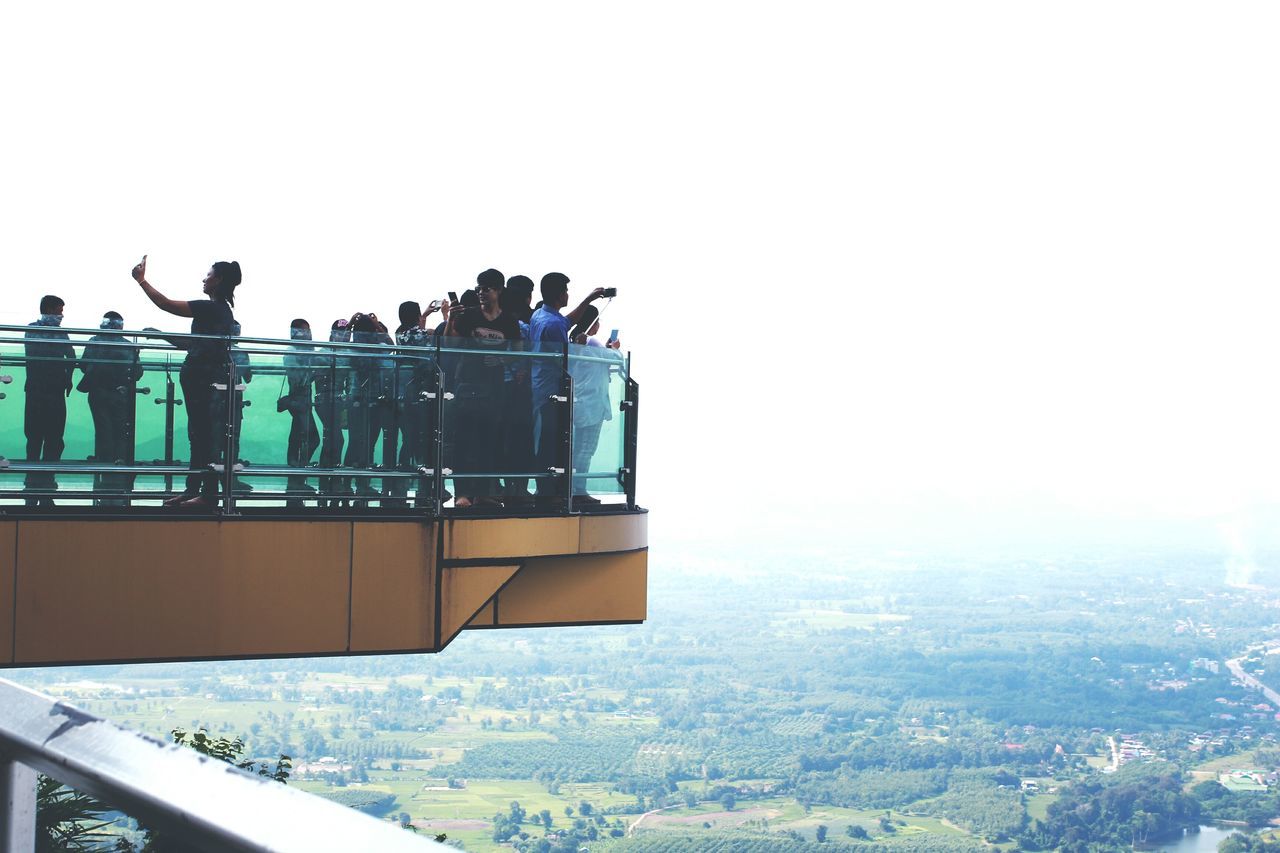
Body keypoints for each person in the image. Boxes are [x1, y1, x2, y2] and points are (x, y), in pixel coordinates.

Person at [131, 255, 241, 509]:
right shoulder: (221, 311)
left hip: (203, 380)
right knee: (199, 434)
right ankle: (194, 490)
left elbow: (165, 304)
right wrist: (161, 336)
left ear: (219, 280)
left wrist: (141, 281)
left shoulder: (211, 308)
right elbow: (195, 345)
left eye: (209, 274)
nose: (204, 278)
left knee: (203, 435)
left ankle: (207, 494)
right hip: (201, 379)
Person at [529, 273, 608, 506]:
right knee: (550, 444)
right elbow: (564, 362)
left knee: (548, 441)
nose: (567, 294)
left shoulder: (542, 316)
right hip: (551, 392)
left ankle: (549, 489)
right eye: (565, 290)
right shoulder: (551, 324)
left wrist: (590, 299)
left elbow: (567, 321)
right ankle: (548, 491)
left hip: (541, 387)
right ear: (557, 295)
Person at [447, 270, 521, 508]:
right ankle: (463, 493)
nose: (481, 292)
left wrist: (501, 360)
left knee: (489, 442)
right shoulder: (468, 315)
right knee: (464, 442)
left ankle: (482, 492)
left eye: (486, 288)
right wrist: (450, 319)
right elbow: (450, 344)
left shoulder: (508, 320)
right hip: (467, 385)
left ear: (498, 290)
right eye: (479, 288)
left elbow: (519, 352)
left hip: (494, 388)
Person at [78, 311, 142, 504]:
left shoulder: (94, 342)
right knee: (120, 431)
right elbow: (137, 372)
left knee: (103, 429)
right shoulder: (128, 346)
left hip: (98, 393)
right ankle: (118, 467)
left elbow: (82, 365)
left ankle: (104, 465)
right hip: (121, 394)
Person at [388, 299, 445, 508]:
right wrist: (445, 316)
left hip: (406, 389)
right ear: (416, 314)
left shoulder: (399, 333)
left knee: (408, 436)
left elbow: (415, 329)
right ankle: (425, 484)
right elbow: (439, 342)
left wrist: (426, 314)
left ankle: (401, 480)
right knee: (424, 436)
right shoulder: (423, 335)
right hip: (422, 389)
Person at [23, 295, 77, 506]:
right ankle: (44, 480)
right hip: (52, 391)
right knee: (52, 438)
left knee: (35, 437)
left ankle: (33, 480)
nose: (62, 315)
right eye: (59, 310)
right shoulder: (58, 333)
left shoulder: (31, 330)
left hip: (36, 390)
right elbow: (70, 356)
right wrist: (68, 379)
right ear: (50, 309)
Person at [568, 306, 623, 504]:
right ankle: (579, 491)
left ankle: (574, 488)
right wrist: (614, 348)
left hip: (580, 403)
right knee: (585, 450)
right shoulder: (591, 342)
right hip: (591, 406)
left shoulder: (575, 343)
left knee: (577, 450)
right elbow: (618, 359)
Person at [501, 275, 536, 506]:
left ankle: (505, 485)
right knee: (523, 438)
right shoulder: (530, 320)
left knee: (503, 437)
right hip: (523, 389)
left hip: (499, 386)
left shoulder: (499, 317)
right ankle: (520, 488)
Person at [282, 319, 319, 500]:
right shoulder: (292, 352)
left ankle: (295, 479)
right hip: (299, 400)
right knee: (310, 438)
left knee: (298, 436)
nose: (307, 334)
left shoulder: (300, 351)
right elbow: (299, 378)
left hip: (302, 400)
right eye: (304, 331)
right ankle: (297, 476)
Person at [315, 319, 351, 506]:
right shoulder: (325, 353)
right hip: (326, 400)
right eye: (341, 332)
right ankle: (331, 478)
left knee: (332, 437)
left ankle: (328, 479)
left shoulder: (344, 353)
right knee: (334, 437)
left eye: (347, 333)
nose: (344, 336)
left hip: (336, 401)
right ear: (332, 335)